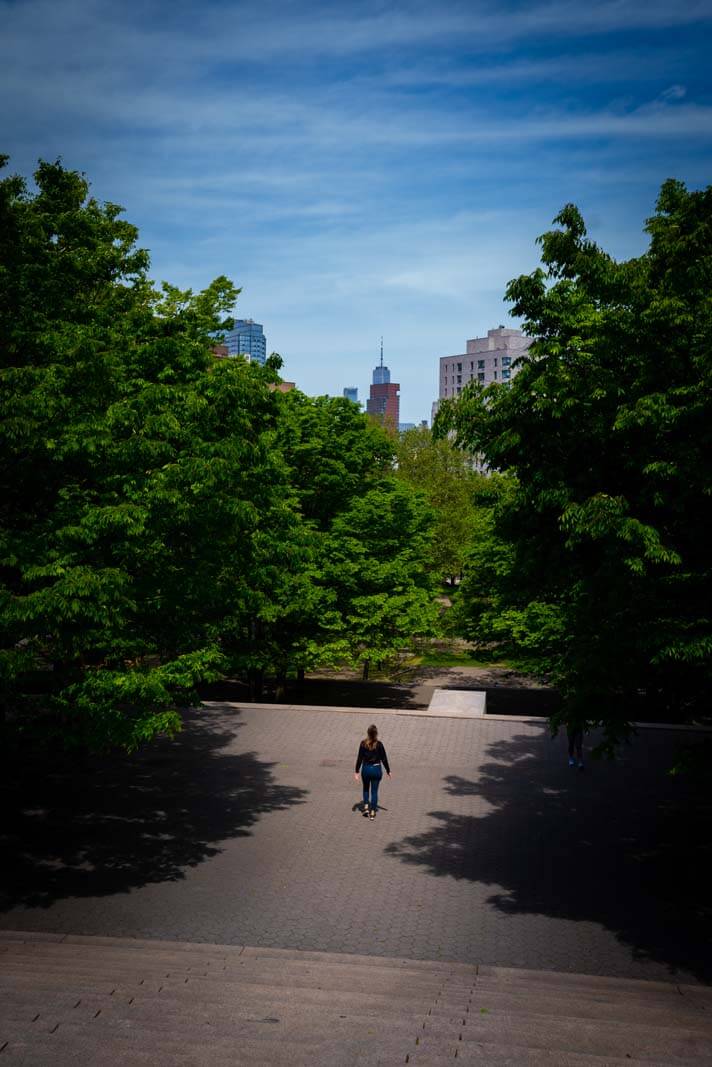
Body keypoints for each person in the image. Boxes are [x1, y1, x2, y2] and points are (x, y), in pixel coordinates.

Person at [354, 724, 391, 819]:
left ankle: (366, 807)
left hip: (366, 769)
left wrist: (357, 771)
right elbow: (384, 759)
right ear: (376, 734)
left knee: (366, 788)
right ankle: (373, 812)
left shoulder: (363, 743)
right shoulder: (379, 744)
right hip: (376, 769)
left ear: (368, 733)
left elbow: (359, 758)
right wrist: (388, 770)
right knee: (374, 792)